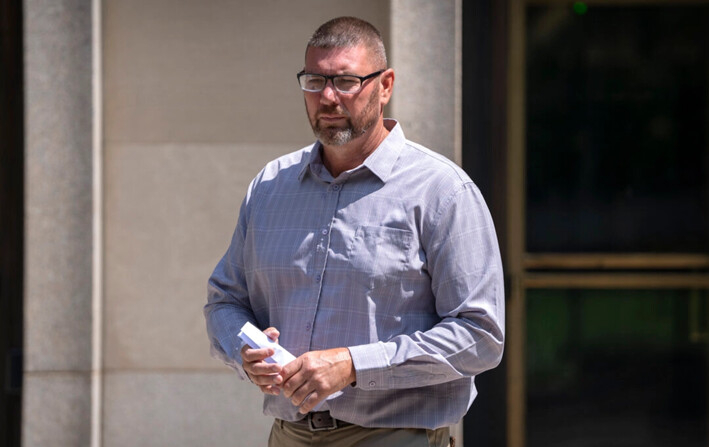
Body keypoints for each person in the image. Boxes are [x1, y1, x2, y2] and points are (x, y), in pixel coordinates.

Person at [204, 16, 504, 447]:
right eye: (314, 81)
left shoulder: (442, 191)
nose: (327, 97)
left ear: (385, 85)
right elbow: (224, 302)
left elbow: (480, 335)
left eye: (346, 81)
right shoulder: (270, 186)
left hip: (396, 436)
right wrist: (245, 351)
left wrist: (353, 364)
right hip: (287, 435)